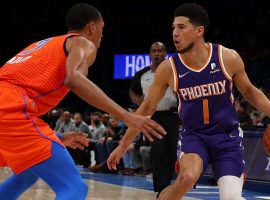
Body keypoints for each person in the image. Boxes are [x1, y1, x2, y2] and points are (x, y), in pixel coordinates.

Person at [0, 3, 165, 200]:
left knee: (26, 175)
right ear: (92, 27)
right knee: (74, 188)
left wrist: (57, 137)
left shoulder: (43, 44)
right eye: (102, 29)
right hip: (11, 110)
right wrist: (127, 116)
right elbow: (74, 78)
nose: (102, 36)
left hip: (8, 110)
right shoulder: (82, 43)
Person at [107, 3, 270, 200]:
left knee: (231, 198)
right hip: (195, 136)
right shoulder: (169, 68)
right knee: (186, 177)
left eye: (181, 27)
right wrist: (123, 145)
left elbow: (251, 93)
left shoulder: (227, 57)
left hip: (227, 137)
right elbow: (146, 107)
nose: (175, 33)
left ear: (199, 31)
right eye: (173, 28)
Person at [129, 42, 180, 195]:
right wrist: (139, 102)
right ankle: (160, 189)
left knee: (171, 153)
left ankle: (167, 185)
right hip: (153, 117)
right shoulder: (143, 74)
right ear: (150, 54)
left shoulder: (173, 71)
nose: (156, 53)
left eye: (160, 51)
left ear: (165, 53)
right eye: (154, 51)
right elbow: (132, 90)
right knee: (157, 152)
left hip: (172, 116)